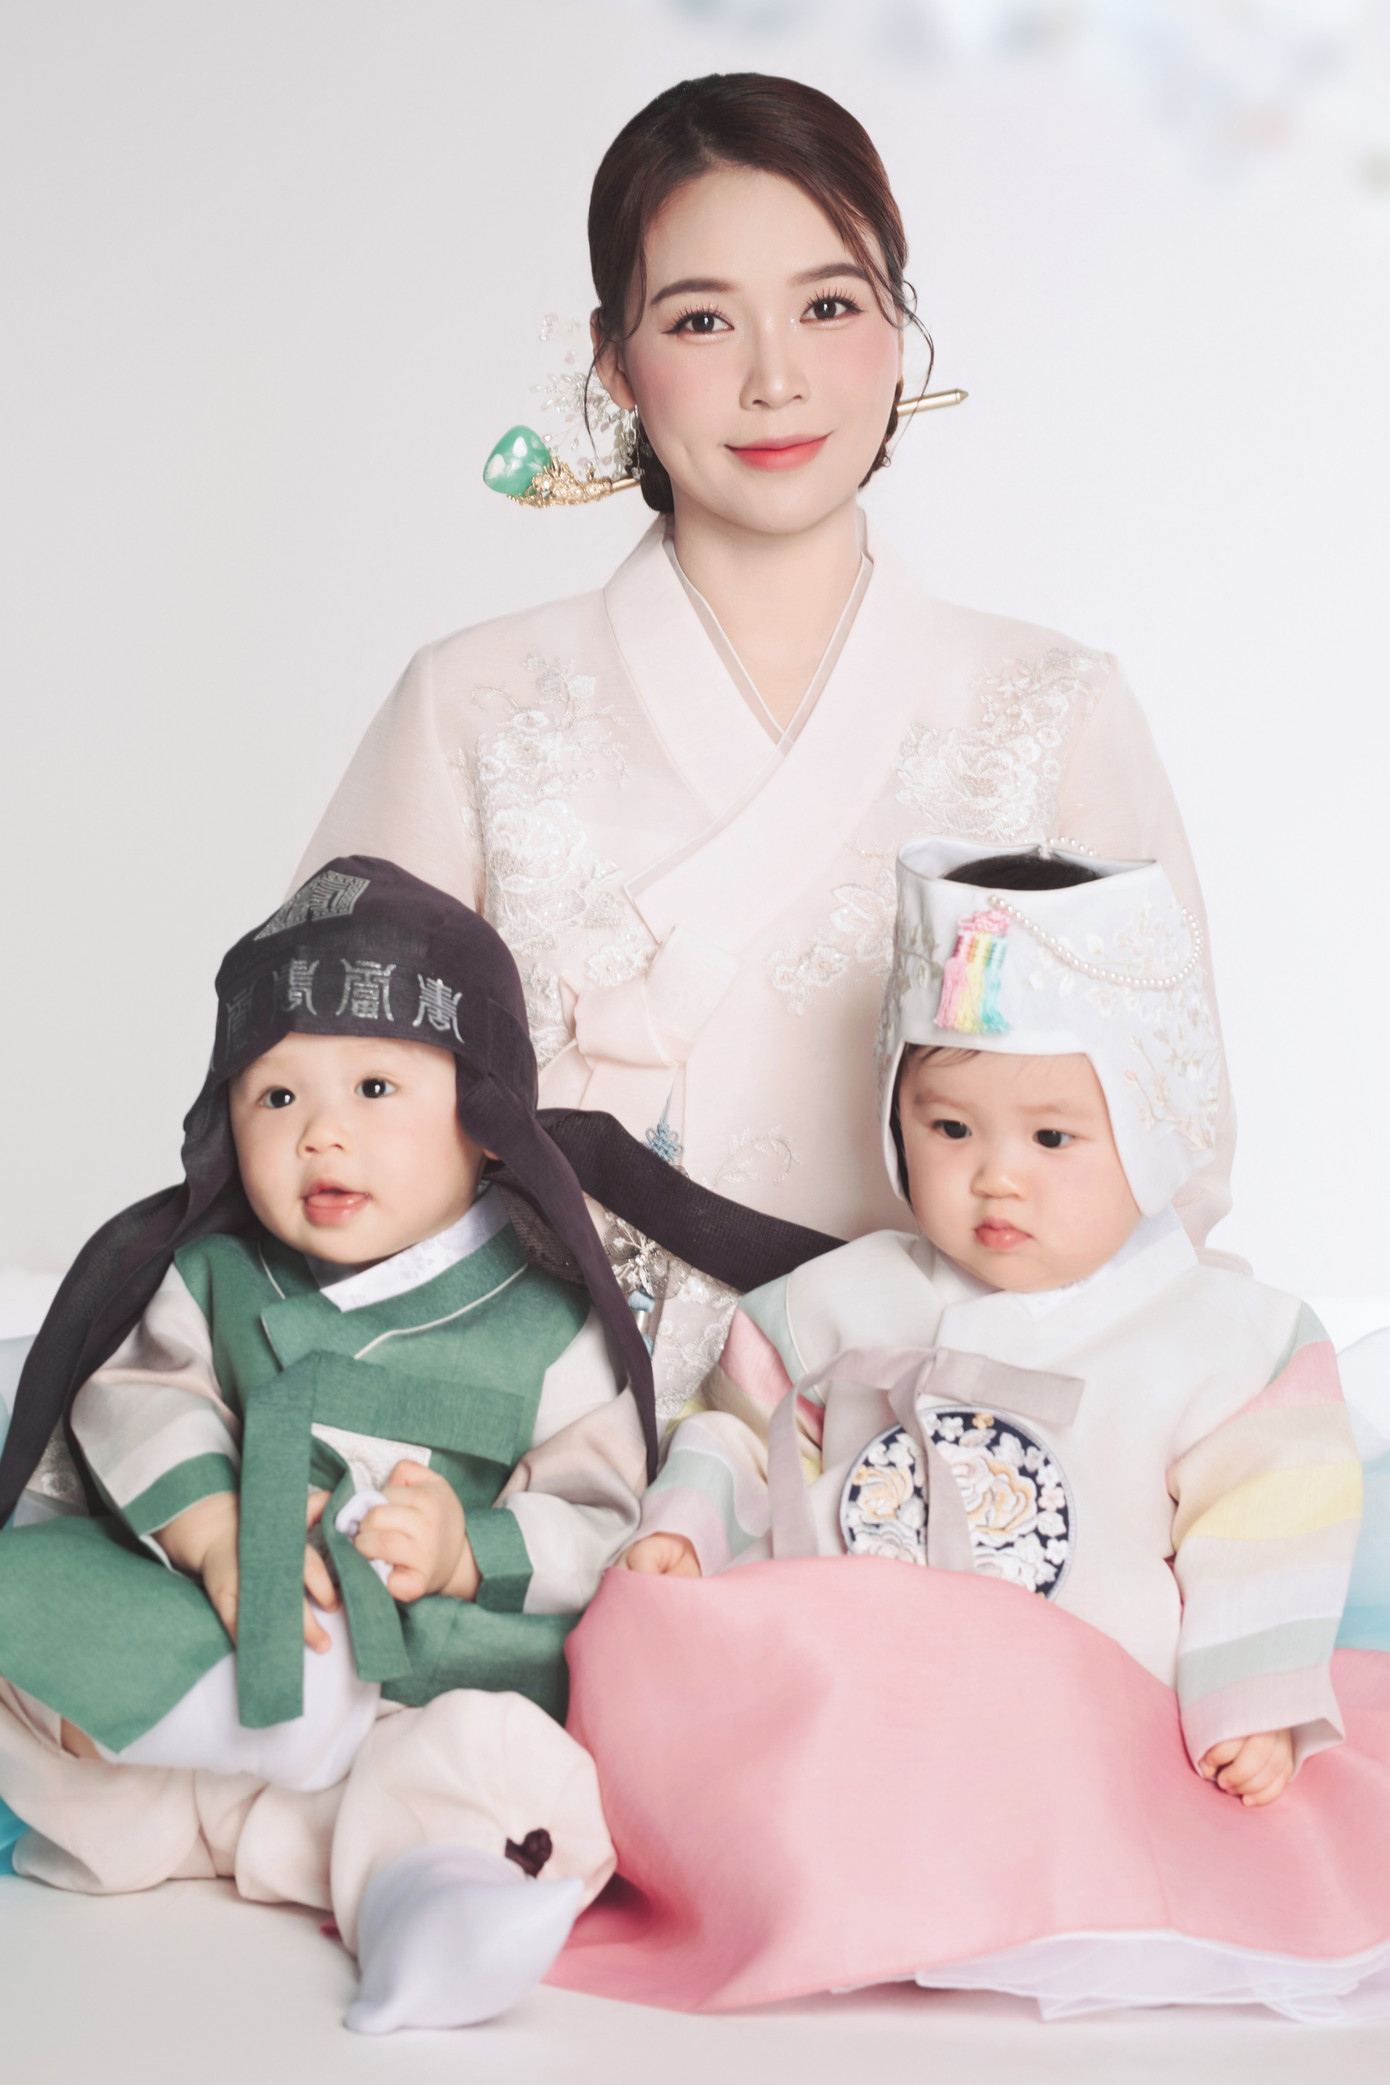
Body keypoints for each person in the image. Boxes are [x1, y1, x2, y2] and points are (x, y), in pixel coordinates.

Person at [293, 73, 1236, 1424]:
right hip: (539, 1442)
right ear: (615, 362)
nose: (774, 378)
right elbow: (312, 1101)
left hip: (924, 1447)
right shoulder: (471, 703)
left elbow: (1170, 1154)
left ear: (898, 329)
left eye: (828, 306)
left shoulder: (1050, 704)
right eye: (700, 320)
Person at [541, 842, 1390, 2020]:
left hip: (1081, 1724)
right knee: (653, 1648)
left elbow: (1268, 1527)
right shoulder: (839, 1302)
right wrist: (688, 1526)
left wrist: (1250, 1704)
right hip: (854, 1697)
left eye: (1051, 1140)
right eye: (948, 1130)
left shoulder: (1222, 1339)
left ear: (1150, 1131)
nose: (996, 1180)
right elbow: (738, 1431)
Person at [0, 855, 832, 2033]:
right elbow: (140, 1395)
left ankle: (416, 1895)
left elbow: (601, 1513)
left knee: (510, 1767)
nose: (320, 1135)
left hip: (422, 1678)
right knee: (31, 1593)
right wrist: (216, 1529)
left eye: (375, 1088)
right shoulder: (214, 1275)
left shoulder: (548, 1326)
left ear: (484, 1123)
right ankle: (211, 1776)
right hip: (226, 1633)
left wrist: (463, 1549)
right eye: (274, 1098)